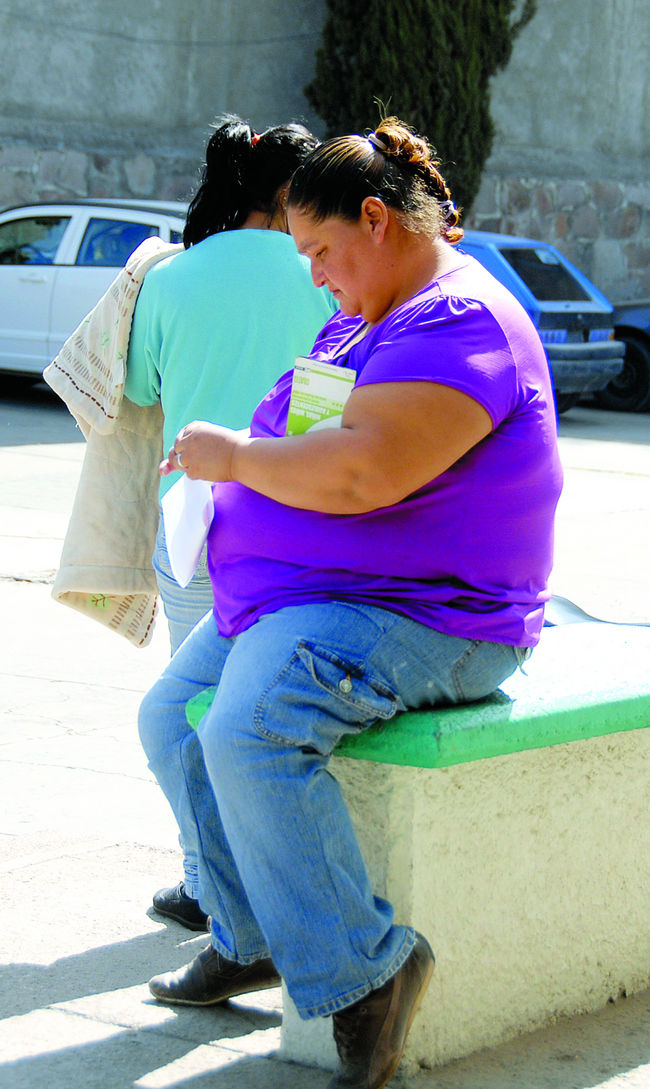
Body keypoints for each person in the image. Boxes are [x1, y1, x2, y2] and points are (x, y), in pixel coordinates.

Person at [138, 117, 563, 1089]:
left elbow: (363, 471)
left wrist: (235, 459)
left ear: (374, 218)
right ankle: (248, 932)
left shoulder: (460, 320)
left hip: (435, 615)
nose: (314, 275)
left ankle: (366, 972)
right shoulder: (362, 319)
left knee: (247, 729)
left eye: (320, 250)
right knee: (172, 717)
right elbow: (308, 440)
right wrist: (234, 479)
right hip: (320, 593)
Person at [124, 114, 335, 931]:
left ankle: (206, 883)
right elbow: (331, 399)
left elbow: (140, 391)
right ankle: (271, 883)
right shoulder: (323, 273)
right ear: (290, 195)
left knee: (188, 711)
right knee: (267, 716)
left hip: (191, 523)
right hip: (295, 521)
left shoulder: (172, 276)